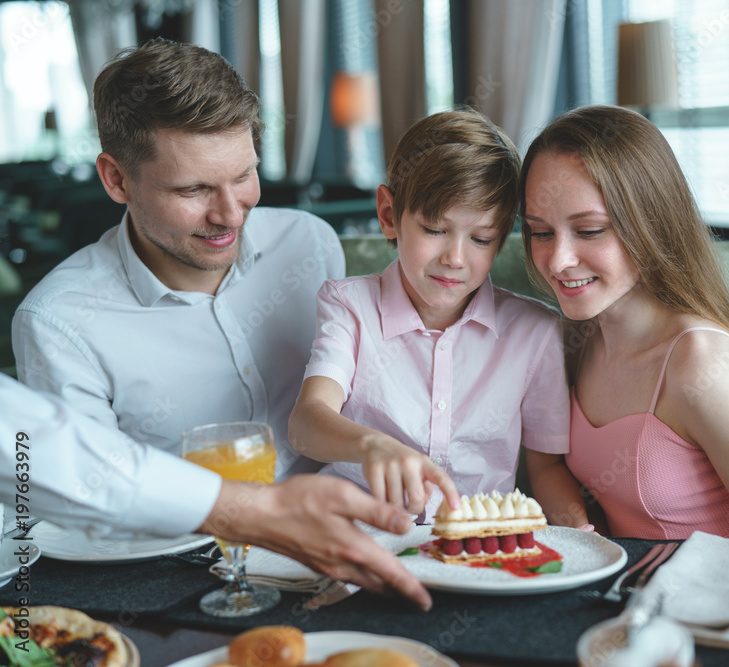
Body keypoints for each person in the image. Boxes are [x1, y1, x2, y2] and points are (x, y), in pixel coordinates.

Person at [12, 38, 344, 478]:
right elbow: (93, 503)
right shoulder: (58, 323)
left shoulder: (309, 243)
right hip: (185, 546)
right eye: (193, 189)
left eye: (244, 174)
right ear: (117, 180)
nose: (230, 214)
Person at [521, 105, 729, 551]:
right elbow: (548, 464)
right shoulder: (579, 333)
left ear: (650, 223)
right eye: (540, 233)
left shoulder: (700, 361)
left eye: (589, 231)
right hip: (633, 598)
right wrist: (582, 537)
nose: (557, 260)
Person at [288, 109, 588, 526]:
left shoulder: (535, 332)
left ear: (501, 240)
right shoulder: (349, 306)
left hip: (478, 548)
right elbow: (306, 422)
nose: (455, 259)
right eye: (434, 230)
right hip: (361, 535)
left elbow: (547, 469)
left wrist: (582, 536)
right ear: (390, 215)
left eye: (481, 239)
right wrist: (372, 445)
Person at [0, 376, 431, 609]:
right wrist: (252, 512)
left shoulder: (306, 239)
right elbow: (38, 448)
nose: (227, 213)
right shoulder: (55, 310)